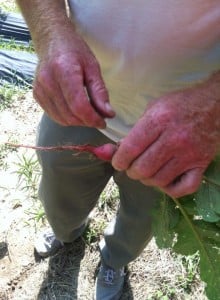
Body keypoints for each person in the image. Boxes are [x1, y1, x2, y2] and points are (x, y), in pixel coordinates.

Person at [16, 1, 220, 299]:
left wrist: (212, 107)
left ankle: (115, 259)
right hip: (79, 101)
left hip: (183, 138)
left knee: (141, 219)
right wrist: (51, 33)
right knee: (59, 193)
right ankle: (67, 233)